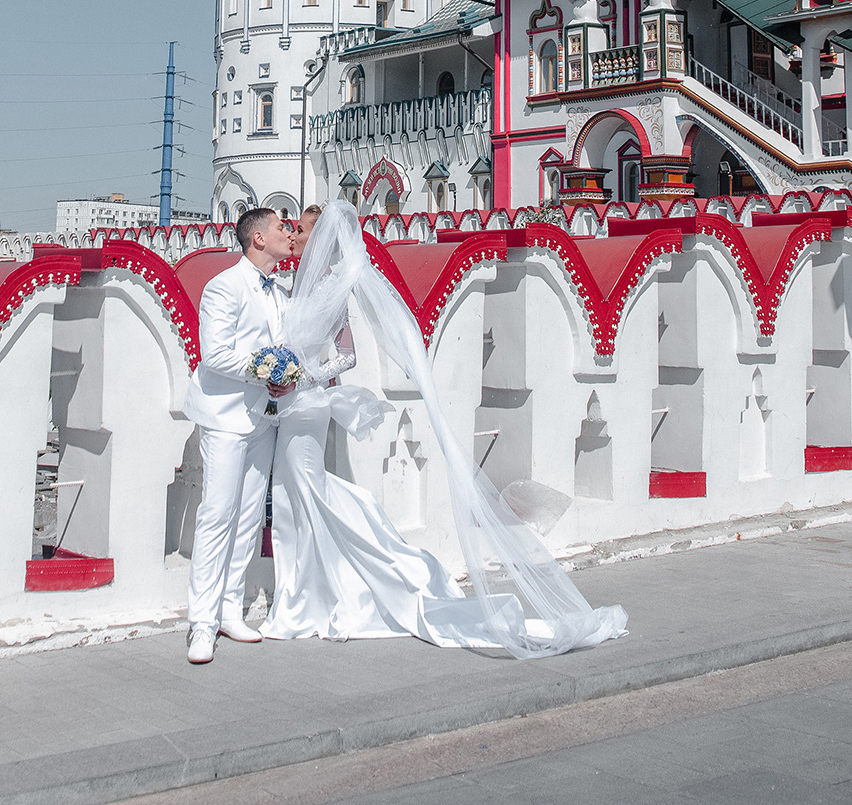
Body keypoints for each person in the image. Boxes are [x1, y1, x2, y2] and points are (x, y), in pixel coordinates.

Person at [263, 200, 627, 656]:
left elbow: (346, 357)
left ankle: (333, 587)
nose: (294, 234)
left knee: (305, 491)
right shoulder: (298, 285)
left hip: (308, 404)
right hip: (292, 405)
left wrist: (303, 377)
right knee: (299, 496)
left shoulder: (336, 287)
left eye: (301, 229)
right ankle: (313, 589)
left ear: (320, 240)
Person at [180, 206, 297, 664]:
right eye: (281, 227)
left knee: (249, 517)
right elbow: (215, 356)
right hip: (226, 416)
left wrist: (285, 377)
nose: (289, 233)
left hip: (262, 417)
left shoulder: (281, 292)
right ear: (258, 239)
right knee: (218, 514)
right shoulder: (224, 287)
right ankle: (201, 623)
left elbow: (284, 347)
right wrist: (264, 371)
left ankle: (230, 609)